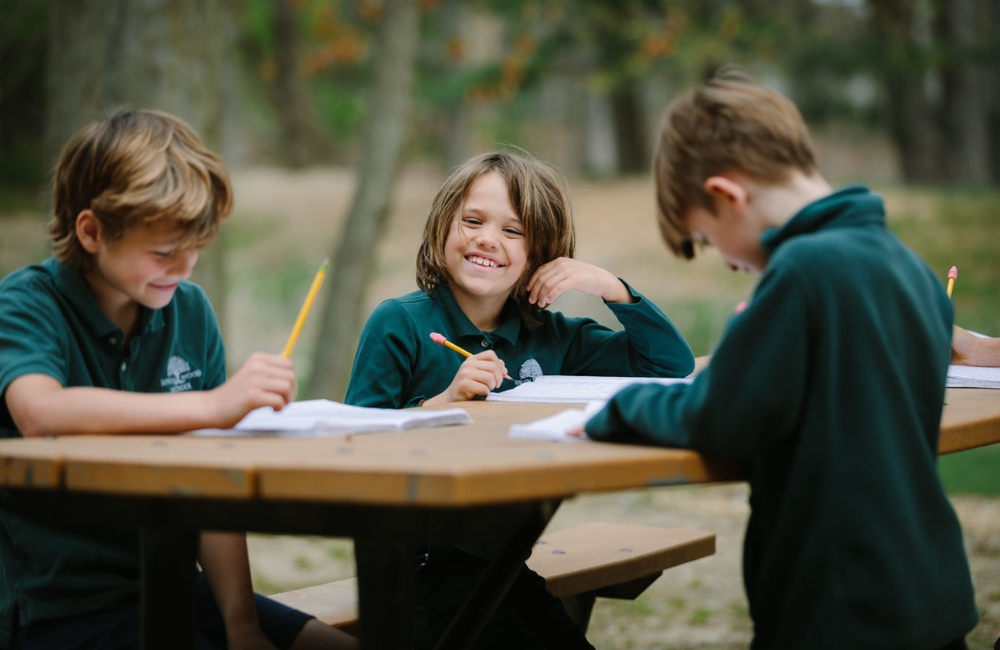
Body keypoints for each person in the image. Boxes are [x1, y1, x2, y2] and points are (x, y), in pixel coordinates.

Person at [583, 73, 978, 649]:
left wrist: (618, 407)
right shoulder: (907, 265)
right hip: (929, 590)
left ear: (728, 195)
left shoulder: (803, 273)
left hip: (839, 607)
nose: (722, 259)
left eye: (707, 237)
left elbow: (722, 416)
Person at [0, 110, 355, 650]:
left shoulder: (186, 308)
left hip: (175, 585)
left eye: (197, 248)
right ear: (91, 231)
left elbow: (210, 485)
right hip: (59, 610)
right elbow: (40, 412)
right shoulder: (26, 303)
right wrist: (213, 407)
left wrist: (241, 625)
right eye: (164, 252)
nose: (185, 268)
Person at [345, 150, 694, 648]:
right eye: (473, 221)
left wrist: (612, 288)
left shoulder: (556, 337)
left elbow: (668, 368)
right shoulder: (399, 323)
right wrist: (442, 403)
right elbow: (351, 445)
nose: (488, 238)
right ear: (444, 226)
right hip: (416, 571)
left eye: (514, 231)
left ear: (543, 256)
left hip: (505, 564)